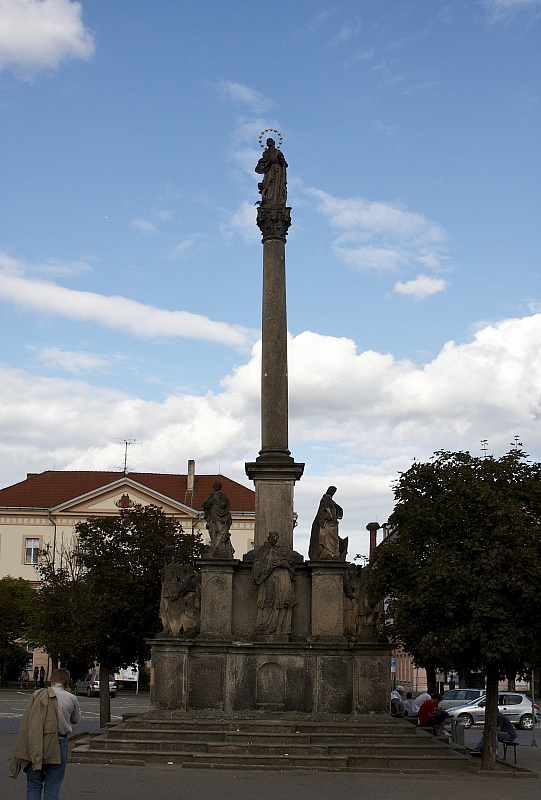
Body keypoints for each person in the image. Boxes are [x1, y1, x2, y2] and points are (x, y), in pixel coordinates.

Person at [10, 667, 81, 799]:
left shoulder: (37, 695)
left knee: (34, 784)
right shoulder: (71, 698)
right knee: (52, 787)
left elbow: (28, 721)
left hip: (36, 741)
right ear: (67, 682)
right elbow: (75, 720)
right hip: (60, 743)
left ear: (52, 679)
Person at [252, 531, 297, 635]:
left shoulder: (281, 550)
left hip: (281, 579)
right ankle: (264, 625)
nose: (275, 539)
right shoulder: (263, 550)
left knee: (281, 602)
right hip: (269, 579)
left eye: (276, 537)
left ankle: (280, 628)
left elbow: (290, 563)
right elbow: (257, 564)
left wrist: (282, 563)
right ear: (269, 537)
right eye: (273, 537)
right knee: (267, 601)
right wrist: (268, 567)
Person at [309, 486, 344, 560]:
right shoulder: (324, 500)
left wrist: (338, 511)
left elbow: (336, 508)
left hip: (333, 522)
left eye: (334, 492)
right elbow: (326, 509)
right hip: (326, 522)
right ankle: (326, 553)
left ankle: (333, 553)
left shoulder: (331, 501)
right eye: (332, 491)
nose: (333, 493)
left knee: (334, 539)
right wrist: (330, 516)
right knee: (326, 539)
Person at [202, 481, 234, 558]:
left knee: (221, 530)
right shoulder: (211, 496)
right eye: (215, 485)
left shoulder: (222, 495)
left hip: (220, 514)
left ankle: (219, 548)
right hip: (212, 514)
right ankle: (214, 547)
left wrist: (217, 502)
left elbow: (223, 504)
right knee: (212, 531)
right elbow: (207, 505)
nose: (216, 486)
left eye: (218, 485)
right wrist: (208, 504)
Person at [255, 138, 288, 207]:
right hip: (269, 171)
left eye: (270, 141)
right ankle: (269, 200)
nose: (269, 142)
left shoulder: (278, 152)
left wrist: (280, 161)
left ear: (274, 142)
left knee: (277, 185)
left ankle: (277, 200)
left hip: (278, 172)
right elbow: (263, 163)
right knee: (269, 184)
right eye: (267, 142)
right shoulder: (266, 153)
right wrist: (270, 162)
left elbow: (285, 164)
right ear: (266, 144)